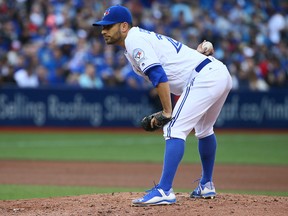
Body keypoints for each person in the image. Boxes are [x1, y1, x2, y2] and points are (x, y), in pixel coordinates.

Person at [92, 5, 232, 206]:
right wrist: (198, 53)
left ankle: (165, 190)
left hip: (205, 77)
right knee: (204, 129)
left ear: (124, 26)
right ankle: (206, 184)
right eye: (102, 27)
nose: (103, 31)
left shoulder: (133, 40)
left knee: (173, 128)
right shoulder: (138, 38)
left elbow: (159, 75)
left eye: (108, 26)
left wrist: (168, 111)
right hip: (216, 72)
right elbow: (174, 60)